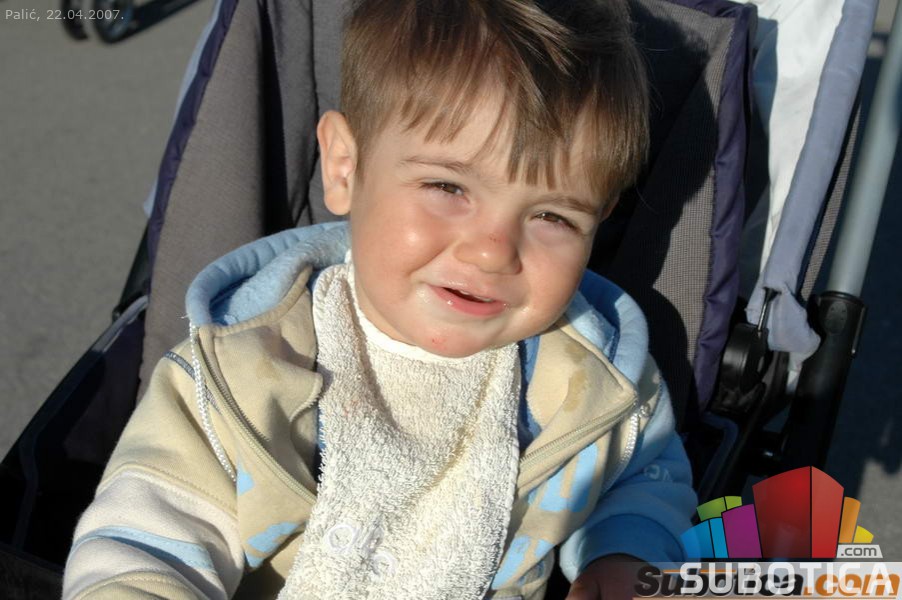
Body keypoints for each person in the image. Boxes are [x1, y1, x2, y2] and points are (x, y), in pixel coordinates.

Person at [63, 0, 697, 598]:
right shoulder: (243, 365)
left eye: (553, 217)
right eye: (448, 187)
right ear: (344, 167)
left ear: (599, 221)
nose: (492, 253)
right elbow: (146, 537)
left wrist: (625, 552)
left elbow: (644, 475)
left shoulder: (596, 382)